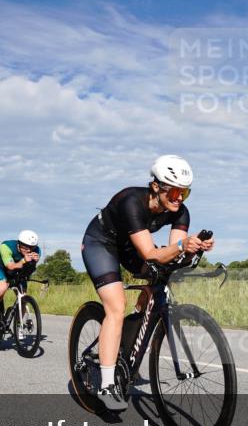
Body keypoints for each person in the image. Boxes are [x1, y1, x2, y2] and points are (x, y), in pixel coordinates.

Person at [80, 154, 213, 411]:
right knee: (116, 306)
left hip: (131, 247)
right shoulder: (132, 201)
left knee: (161, 277)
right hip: (101, 244)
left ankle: (129, 331)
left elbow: (176, 254)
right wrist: (181, 245)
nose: (178, 198)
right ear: (156, 187)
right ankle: (107, 384)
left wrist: (194, 249)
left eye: (184, 193)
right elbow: (151, 254)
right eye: (173, 191)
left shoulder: (180, 211)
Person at [0, 231, 41, 329]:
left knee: (23, 298)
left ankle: (18, 325)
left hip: (18, 270)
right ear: (19, 244)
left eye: (32, 247)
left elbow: (29, 269)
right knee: (2, 288)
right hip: (0, 267)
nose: (29, 250)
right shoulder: (6, 246)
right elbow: (10, 266)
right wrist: (24, 260)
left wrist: (33, 262)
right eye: (26, 247)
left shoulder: (36, 250)